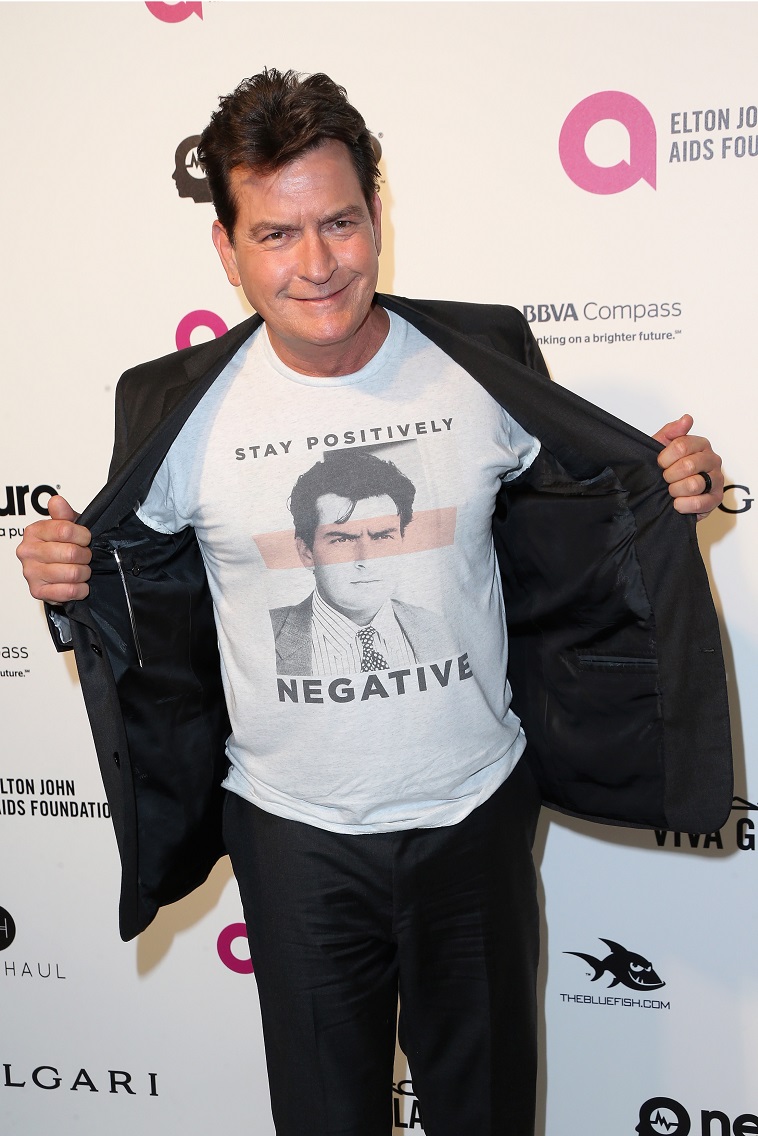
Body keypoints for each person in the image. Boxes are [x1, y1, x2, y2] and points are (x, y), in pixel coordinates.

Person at [16, 69, 731, 1136]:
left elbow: (589, 519)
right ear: (226, 248)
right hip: (293, 838)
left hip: (475, 817)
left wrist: (670, 487)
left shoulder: (481, 359)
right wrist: (61, 580)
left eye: (339, 222)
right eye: (275, 233)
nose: (316, 264)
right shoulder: (169, 406)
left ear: (376, 214)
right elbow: (130, 590)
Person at [271, 448, 458, 675]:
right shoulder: (265, 635)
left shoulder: (439, 628)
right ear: (306, 553)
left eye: (382, 537)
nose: (366, 560)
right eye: (342, 539)